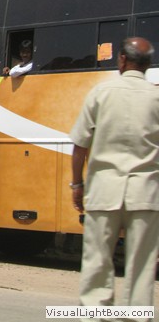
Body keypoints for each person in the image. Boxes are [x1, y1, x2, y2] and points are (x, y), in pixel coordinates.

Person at [69, 37, 159, 311]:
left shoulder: (101, 92)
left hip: (104, 190)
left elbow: (80, 145)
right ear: (148, 64)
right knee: (142, 263)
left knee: (97, 260)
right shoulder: (156, 96)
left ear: (122, 59)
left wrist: (77, 184)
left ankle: (96, 312)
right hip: (146, 193)